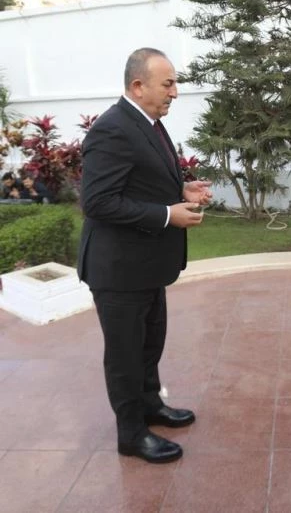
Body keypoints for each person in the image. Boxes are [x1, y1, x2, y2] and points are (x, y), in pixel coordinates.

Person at [78, 47, 212, 464]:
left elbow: (141, 181)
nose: (175, 92)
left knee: (149, 345)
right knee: (125, 355)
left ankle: (151, 405)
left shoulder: (149, 124)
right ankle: (131, 434)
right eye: (168, 83)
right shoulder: (113, 128)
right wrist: (166, 215)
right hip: (117, 270)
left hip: (147, 266)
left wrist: (181, 192)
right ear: (138, 85)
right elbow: (98, 203)